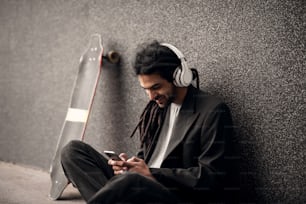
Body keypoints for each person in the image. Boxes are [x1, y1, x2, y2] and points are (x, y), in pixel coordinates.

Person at [61, 40, 236, 204]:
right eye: (146, 90)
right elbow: (147, 157)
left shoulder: (213, 110)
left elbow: (212, 177)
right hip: (139, 188)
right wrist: (129, 165)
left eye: (156, 87)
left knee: (132, 181)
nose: (151, 97)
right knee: (73, 151)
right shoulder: (157, 108)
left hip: (174, 195)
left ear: (179, 76)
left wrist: (151, 174)